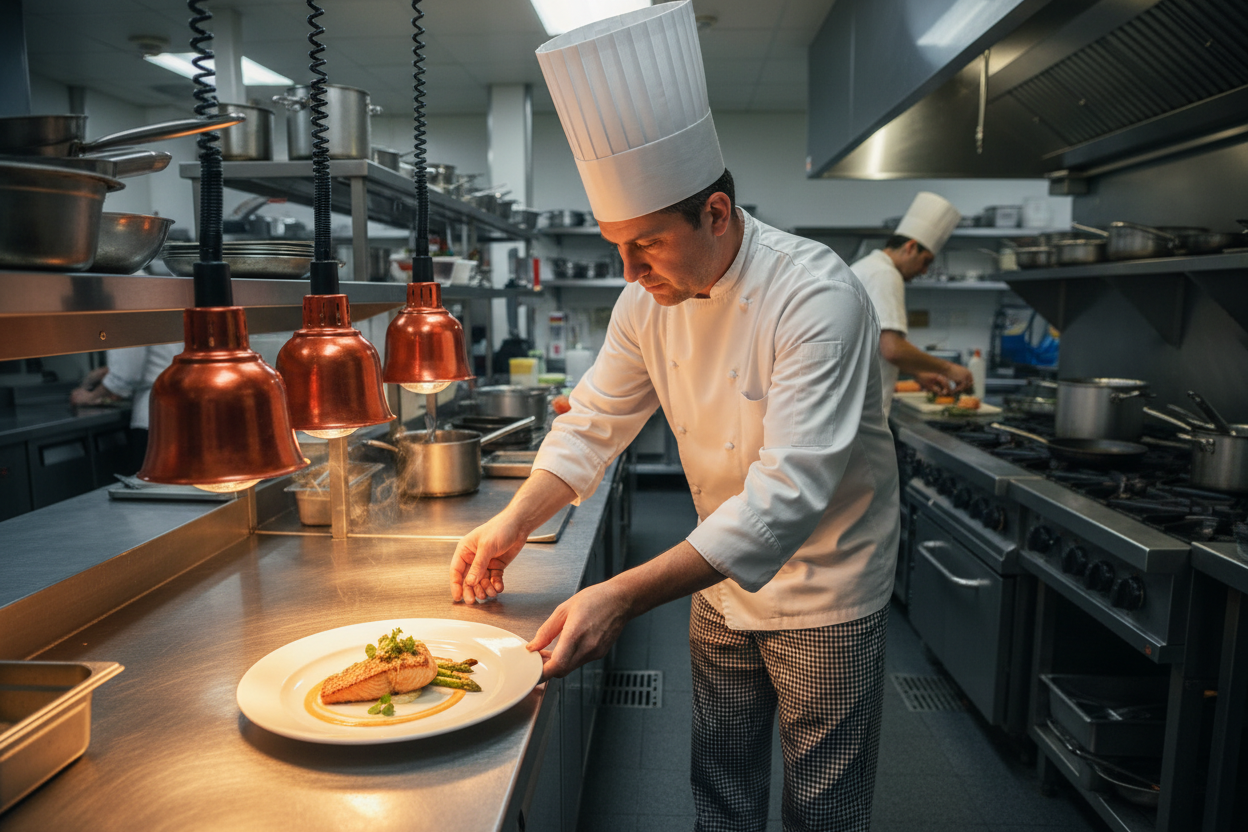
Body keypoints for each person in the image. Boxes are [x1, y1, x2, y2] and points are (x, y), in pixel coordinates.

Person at [448, 4, 899, 829]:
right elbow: (593, 421)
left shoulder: (818, 296)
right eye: (616, 246)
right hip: (714, 583)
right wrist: (516, 520)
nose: (629, 269)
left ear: (716, 215)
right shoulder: (645, 300)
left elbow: (786, 498)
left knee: (822, 810)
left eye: (645, 245)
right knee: (719, 789)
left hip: (827, 589)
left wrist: (620, 595)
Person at [849, 192, 974, 416]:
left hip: (853, 406)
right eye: (925, 261)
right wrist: (948, 368)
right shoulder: (885, 274)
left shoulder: (868, 267)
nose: (924, 271)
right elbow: (892, 348)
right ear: (910, 247)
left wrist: (919, 372)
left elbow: (874, 344)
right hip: (863, 413)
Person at [70, 344, 180, 474]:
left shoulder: (122, 323)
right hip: (181, 411)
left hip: (154, 418)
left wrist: (90, 396)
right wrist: (106, 373)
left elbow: (126, 373)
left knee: (153, 487)